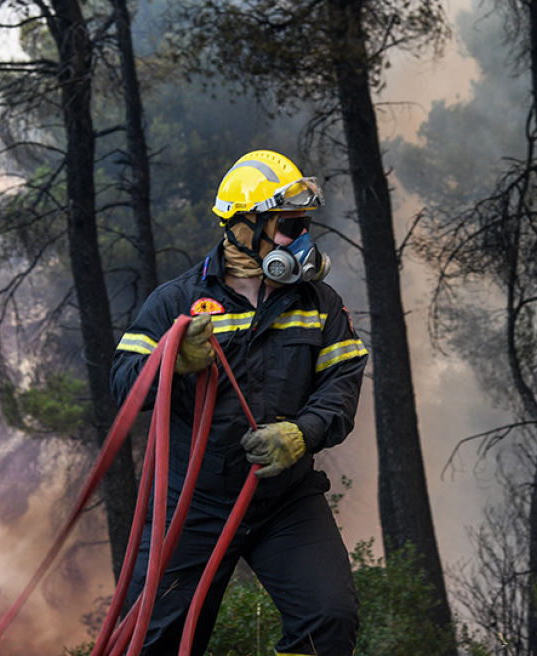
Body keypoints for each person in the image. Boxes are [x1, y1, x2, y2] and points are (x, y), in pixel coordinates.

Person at [111, 149, 368, 655]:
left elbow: (342, 381)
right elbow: (122, 383)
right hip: (193, 505)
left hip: (284, 502)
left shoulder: (320, 303)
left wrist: (303, 433)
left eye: (303, 225)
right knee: (151, 643)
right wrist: (172, 358)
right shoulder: (175, 302)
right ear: (244, 226)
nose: (301, 238)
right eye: (289, 226)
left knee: (329, 621)